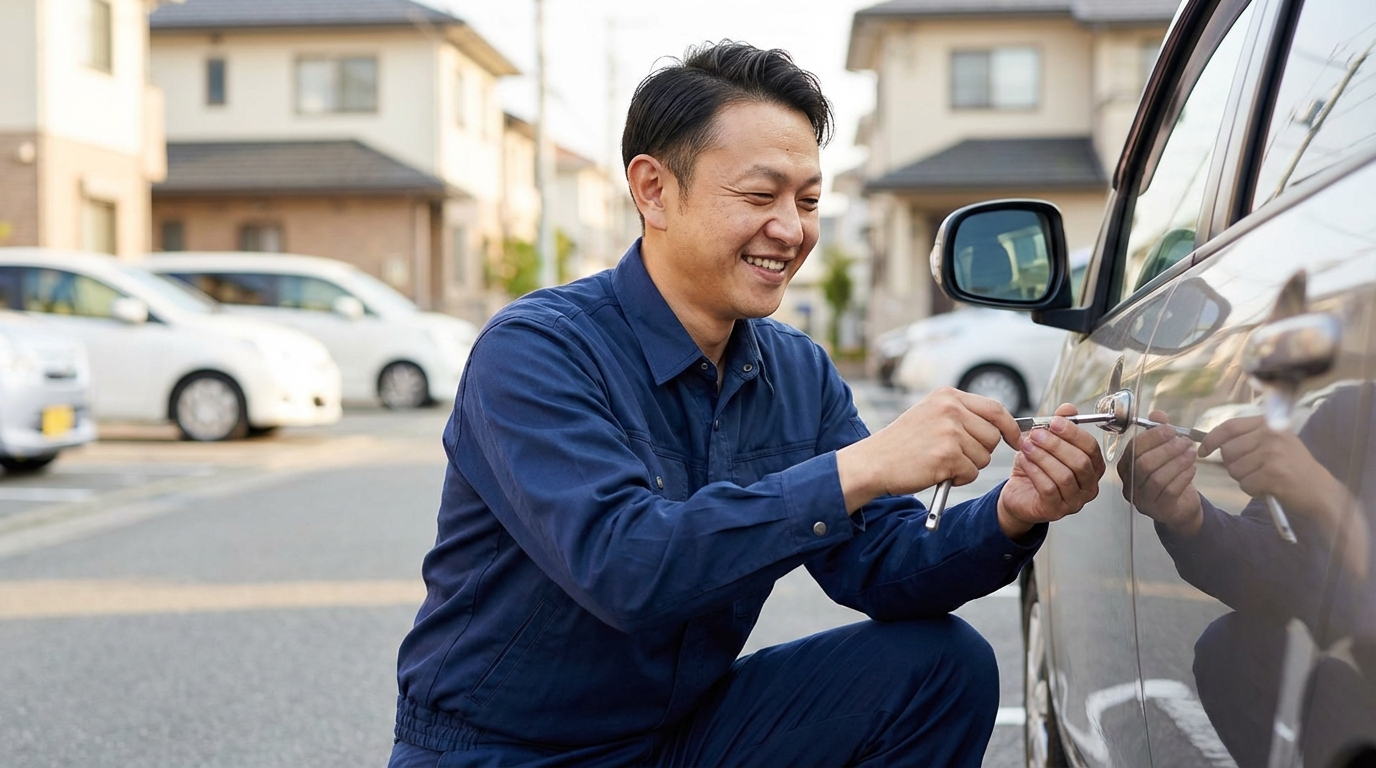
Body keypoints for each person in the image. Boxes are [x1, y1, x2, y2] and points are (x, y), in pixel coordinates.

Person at [389, 41, 1105, 767]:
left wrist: (1013, 512)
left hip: (681, 738)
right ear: (654, 191)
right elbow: (626, 567)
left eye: (809, 200)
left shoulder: (795, 369)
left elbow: (883, 564)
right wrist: (861, 467)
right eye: (760, 197)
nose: (791, 230)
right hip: (505, 751)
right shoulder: (537, 351)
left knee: (941, 666)